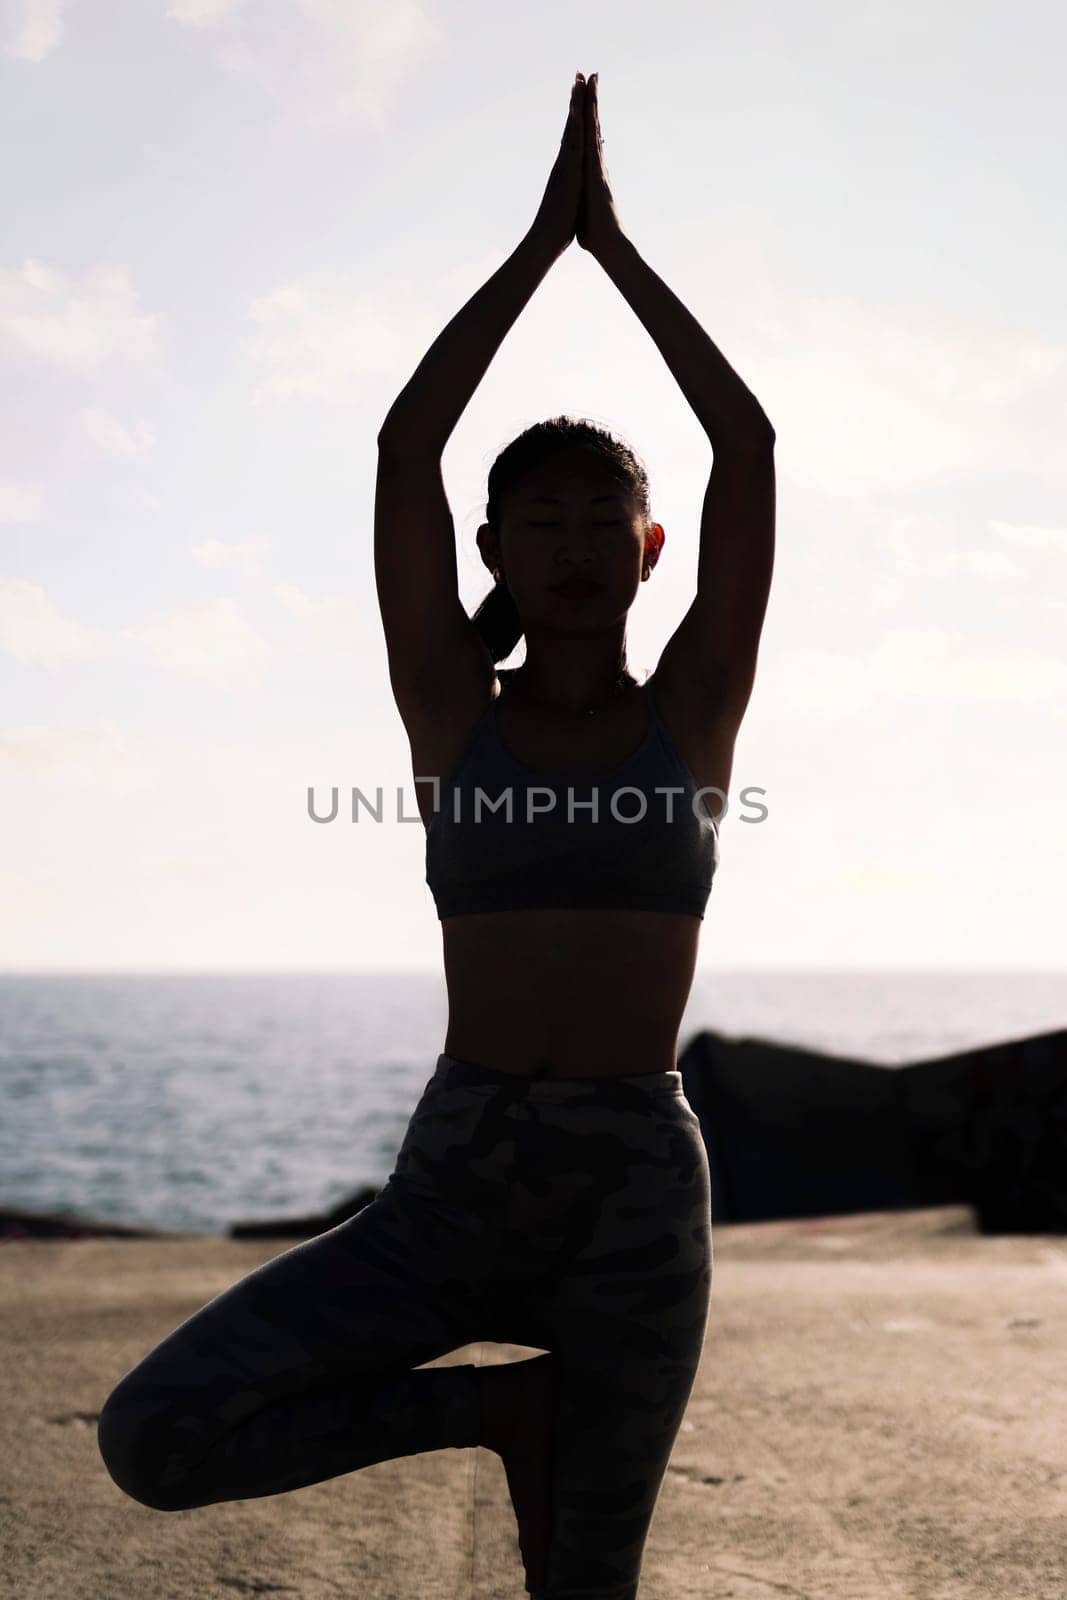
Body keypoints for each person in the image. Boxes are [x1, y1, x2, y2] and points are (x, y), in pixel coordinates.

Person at [96, 71, 776, 1600]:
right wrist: (542, 244)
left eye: (606, 521)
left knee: (583, 1588)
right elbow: (409, 448)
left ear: (650, 548)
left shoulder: (700, 712)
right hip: (456, 1179)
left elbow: (749, 445)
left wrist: (620, 254)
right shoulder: (450, 714)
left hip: (632, 1197)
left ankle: (543, 1434)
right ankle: (497, 1414)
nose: (576, 545)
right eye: (540, 521)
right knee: (158, 1436)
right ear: (493, 549)